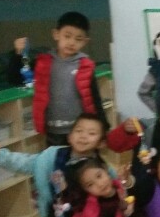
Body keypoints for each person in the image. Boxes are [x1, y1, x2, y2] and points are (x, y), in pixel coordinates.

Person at [0, 112, 111, 217]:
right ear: (69, 137)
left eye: (91, 133)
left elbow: (116, 189)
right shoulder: (52, 157)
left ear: (101, 143)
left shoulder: (101, 167)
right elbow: (25, 162)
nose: (83, 136)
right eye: (79, 131)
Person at [8, 11, 103, 146]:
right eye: (67, 36)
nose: (71, 42)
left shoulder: (86, 66)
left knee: (84, 160)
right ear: (56, 34)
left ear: (85, 42)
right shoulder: (42, 63)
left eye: (78, 39)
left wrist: (103, 130)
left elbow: (95, 99)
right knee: (55, 160)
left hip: (81, 132)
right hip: (53, 132)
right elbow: (15, 79)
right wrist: (17, 54)